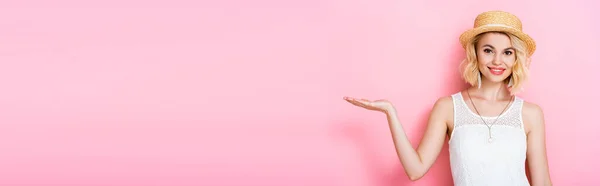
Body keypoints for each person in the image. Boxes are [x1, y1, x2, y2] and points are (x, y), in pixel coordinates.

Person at [343, 10, 552, 186]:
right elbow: (415, 170)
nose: (497, 60)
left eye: (507, 52)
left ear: (516, 58)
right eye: (488, 50)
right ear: (475, 53)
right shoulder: (448, 108)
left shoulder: (530, 114)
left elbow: (542, 182)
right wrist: (390, 112)